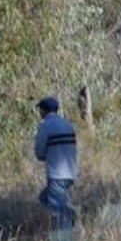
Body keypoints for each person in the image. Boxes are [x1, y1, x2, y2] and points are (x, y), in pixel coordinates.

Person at [32, 96, 78, 229]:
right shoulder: (68, 125)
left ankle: (66, 235)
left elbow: (39, 152)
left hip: (56, 174)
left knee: (57, 208)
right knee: (44, 198)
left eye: (40, 110)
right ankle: (69, 214)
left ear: (44, 110)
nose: (40, 113)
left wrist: (44, 156)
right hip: (71, 173)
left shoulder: (45, 126)